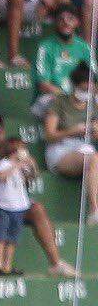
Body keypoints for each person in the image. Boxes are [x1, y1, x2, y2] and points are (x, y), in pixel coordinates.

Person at [0, 113, 75, 276]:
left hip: (13, 201)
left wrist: (28, 164)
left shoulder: (13, 148)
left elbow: (29, 176)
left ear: (2, 133)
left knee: (37, 208)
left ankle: (55, 263)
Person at [42, 64, 98, 226]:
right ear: (73, 86)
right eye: (82, 89)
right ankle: (94, 211)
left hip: (85, 147)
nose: (86, 93)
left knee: (93, 158)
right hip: (61, 149)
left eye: (90, 90)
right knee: (93, 158)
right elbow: (49, 135)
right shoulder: (60, 102)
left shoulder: (93, 104)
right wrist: (72, 131)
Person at [32, 4, 90, 118]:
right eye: (61, 19)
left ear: (77, 22)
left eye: (70, 19)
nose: (66, 23)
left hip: (80, 96)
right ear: (56, 22)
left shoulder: (85, 47)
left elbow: (94, 77)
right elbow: (43, 85)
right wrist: (70, 98)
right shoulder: (45, 47)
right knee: (55, 101)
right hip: (51, 97)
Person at [0, 138, 34, 275]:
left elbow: (31, 177)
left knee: (13, 238)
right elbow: (1, 177)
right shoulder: (4, 163)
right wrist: (16, 165)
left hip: (19, 206)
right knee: (1, 236)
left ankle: (8, 265)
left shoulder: (22, 165)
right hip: (3, 205)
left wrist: (30, 165)